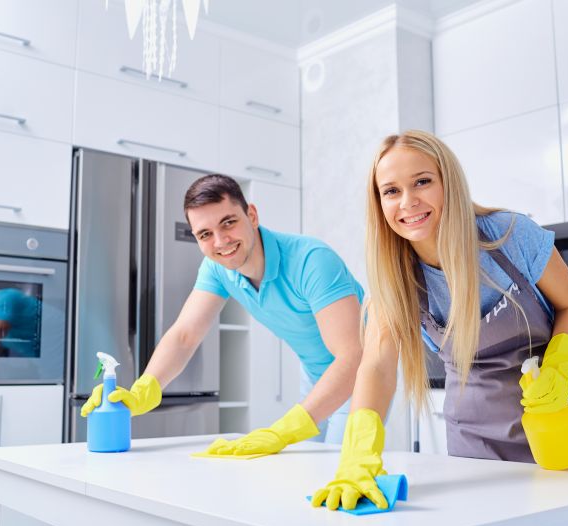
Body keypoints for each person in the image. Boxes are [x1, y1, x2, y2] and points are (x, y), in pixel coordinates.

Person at [312, 130, 568, 511]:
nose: (409, 201)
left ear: (448, 181)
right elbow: (379, 363)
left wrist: (558, 371)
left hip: (555, 419)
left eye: (422, 182)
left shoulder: (510, 235)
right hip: (473, 437)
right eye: (391, 191)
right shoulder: (394, 274)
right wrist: (357, 455)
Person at [81, 174, 365, 452]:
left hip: (360, 375)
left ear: (251, 215)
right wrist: (143, 390)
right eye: (205, 234)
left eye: (228, 222)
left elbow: (352, 356)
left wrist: (283, 431)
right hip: (316, 376)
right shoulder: (217, 268)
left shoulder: (312, 261)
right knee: (306, 472)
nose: (220, 242)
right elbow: (184, 336)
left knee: (335, 473)